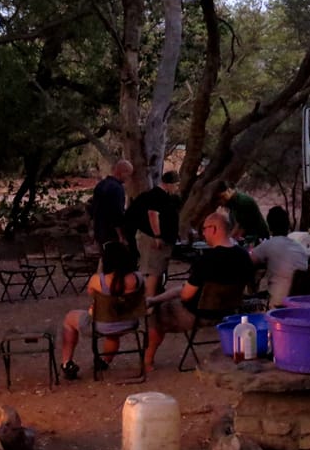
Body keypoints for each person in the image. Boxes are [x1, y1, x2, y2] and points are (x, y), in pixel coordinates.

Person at [144, 212, 254, 371]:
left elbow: (186, 295)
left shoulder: (207, 260)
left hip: (198, 315)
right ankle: (154, 301)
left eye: (204, 229)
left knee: (156, 314)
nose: (203, 233)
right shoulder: (244, 256)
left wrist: (157, 301)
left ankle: (148, 360)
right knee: (162, 300)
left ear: (214, 229)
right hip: (228, 313)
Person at [59, 241, 144, 380]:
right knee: (113, 332)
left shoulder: (98, 280)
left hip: (103, 324)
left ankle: (66, 362)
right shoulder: (138, 278)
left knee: (70, 318)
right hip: (129, 323)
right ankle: (104, 361)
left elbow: (92, 295)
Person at [125, 170, 181, 298]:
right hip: (151, 238)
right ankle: (148, 300)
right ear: (169, 184)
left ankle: (153, 296)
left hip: (158, 238)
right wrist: (157, 235)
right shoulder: (157, 195)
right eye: (176, 185)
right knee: (153, 270)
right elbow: (153, 214)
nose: (177, 188)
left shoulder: (163, 196)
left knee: (158, 269)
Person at [250, 206, 309, 308]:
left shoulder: (268, 245)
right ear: (287, 226)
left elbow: (247, 262)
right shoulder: (300, 247)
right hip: (300, 303)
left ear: (270, 227)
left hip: (278, 303)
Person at [90, 159, 134, 246]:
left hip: (99, 231)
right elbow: (116, 214)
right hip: (111, 234)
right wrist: (121, 235)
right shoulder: (117, 189)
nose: (128, 178)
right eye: (128, 175)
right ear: (122, 172)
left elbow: (93, 208)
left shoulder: (100, 185)